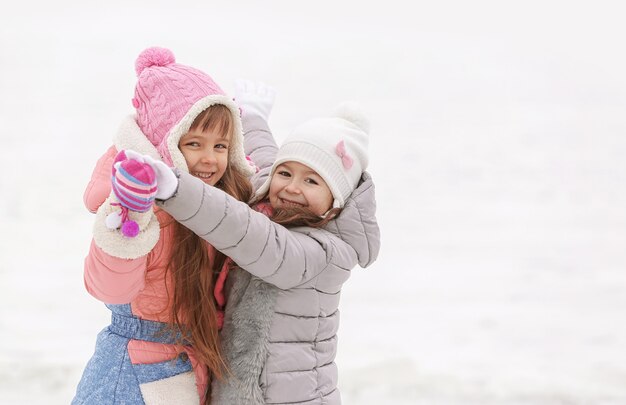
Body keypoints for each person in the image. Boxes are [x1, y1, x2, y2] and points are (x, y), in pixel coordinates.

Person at [129, 80, 381, 404]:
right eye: (286, 173)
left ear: (336, 200)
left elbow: (247, 232)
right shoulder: (276, 203)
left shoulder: (325, 254)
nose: (291, 187)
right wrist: (254, 117)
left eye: (311, 180)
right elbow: (263, 158)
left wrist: (176, 190)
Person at [72, 47, 255, 405]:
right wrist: (129, 216)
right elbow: (110, 287)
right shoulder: (149, 211)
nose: (210, 158)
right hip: (135, 374)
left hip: (186, 365)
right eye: (193, 144)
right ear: (164, 145)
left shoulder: (215, 204)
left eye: (221, 145)